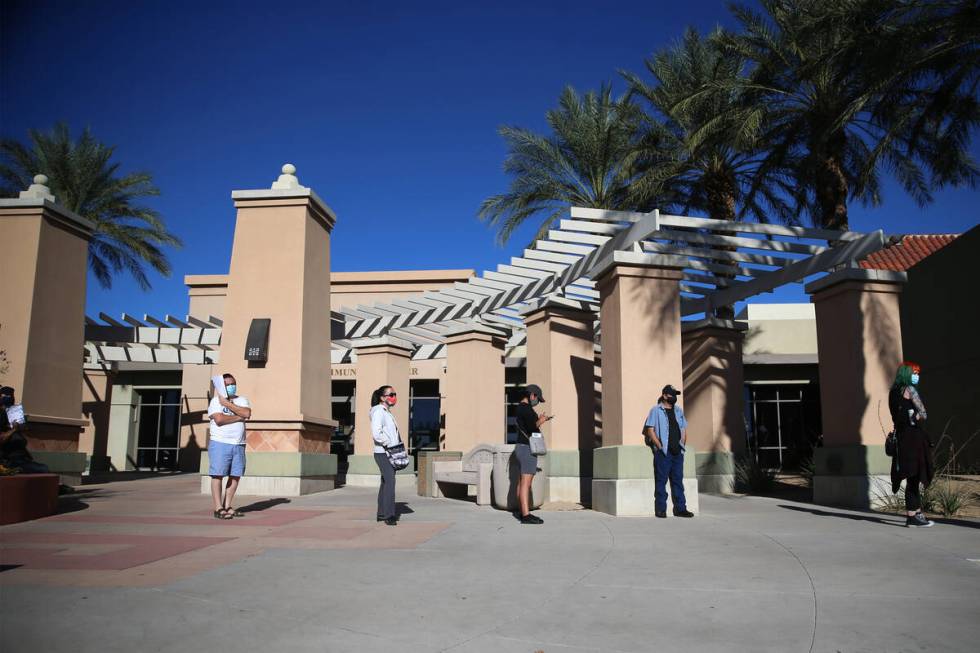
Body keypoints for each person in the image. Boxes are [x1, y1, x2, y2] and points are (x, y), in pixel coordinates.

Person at [889, 362, 934, 528]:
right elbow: (924, 413)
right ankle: (912, 516)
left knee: (910, 475)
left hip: (902, 439)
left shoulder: (893, 392)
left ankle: (916, 512)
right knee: (915, 476)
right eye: (915, 372)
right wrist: (915, 416)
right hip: (913, 438)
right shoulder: (910, 389)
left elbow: (896, 417)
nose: (917, 376)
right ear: (907, 374)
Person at [643, 384, 694, 518]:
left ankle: (680, 509)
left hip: (678, 453)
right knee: (661, 481)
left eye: (675, 395)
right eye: (672, 395)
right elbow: (650, 430)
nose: (674, 397)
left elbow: (683, 428)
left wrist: (682, 443)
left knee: (678, 481)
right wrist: (659, 446)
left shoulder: (678, 411)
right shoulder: (656, 410)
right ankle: (661, 509)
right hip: (664, 453)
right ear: (665, 395)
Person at [207, 373, 251, 520]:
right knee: (218, 474)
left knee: (235, 476)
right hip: (220, 443)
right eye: (228, 384)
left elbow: (247, 412)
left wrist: (227, 404)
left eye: (233, 383)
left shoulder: (242, 399)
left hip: (238, 444)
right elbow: (219, 419)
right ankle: (218, 507)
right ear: (221, 386)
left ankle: (228, 506)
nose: (231, 386)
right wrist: (239, 417)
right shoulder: (215, 401)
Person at [514, 384, 552, 524]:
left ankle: (521, 511)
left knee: (520, 481)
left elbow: (527, 425)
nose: (537, 402)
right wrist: (541, 421)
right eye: (537, 398)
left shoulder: (519, 408)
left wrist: (538, 420)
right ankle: (525, 515)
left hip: (520, 447)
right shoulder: (527, 409)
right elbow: (531, 427)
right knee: (526, 483)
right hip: (527, 448)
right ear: (532, 395)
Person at [370, 385, 401, 526]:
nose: (394, 397)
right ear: (383, 397)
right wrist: (388, 443)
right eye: (391, 394)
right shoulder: (379, 412)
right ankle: (389, 515)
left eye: (394, 394)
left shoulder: (386, 412)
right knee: (390, 482)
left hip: (389, 452)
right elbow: (376, 433)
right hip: (383, 452)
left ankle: (381, 513)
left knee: (385, 482)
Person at [0, 386, 49, 474]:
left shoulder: (12, 414)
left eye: (11, 396)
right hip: (10, 461)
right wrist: (13, 430)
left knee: (44, 469)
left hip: (23, 459)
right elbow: (2, 439)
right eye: (6, 396)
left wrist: (19, 427)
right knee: (43, 469)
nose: (10, 398)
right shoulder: (1, 415)